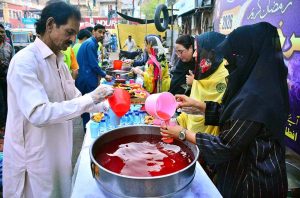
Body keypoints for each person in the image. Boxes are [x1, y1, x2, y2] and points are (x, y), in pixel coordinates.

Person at [160, 22, 289, 197]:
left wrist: (182, 133)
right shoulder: (256, 85)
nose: (228, 62)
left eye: (234, 55)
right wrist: (199, 105)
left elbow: (225, 145)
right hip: (241, 173)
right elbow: (234, 116)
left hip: (253, 182)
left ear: (249, 55)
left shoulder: (258, 97)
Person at [3, 2, 114, 197]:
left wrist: (105, 106)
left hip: (59, 153)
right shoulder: (25, 61)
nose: (73, 39)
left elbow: (75, 98)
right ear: (50, 24)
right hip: (34, 160)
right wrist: (90, 98)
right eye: (69, 32)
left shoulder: (60, 62)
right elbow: (39, 114)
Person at [176, 32, 228, 136]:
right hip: (191, 134)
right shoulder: (203, 71)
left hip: (208, 142)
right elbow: (193, 105)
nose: (195, 54)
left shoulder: (225, 75)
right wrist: (178, 122)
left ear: (211, 52)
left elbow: (222, 112)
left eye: (197, 50)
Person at [76, 24, 112, 129]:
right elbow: (93, 64)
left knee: (86, 106)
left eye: (103, 33)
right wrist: (105, 75)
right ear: (93, 32)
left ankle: (86, 127)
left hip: (84, 78)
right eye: (100, 32)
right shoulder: (91, 44)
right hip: (87, 79)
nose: (102, 35)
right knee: (91, 105)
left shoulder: (90, 43)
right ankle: (89, 130)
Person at [0, 23, 13, 135]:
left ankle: (6, 125)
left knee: (7, 102)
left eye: (2, 32)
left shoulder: (8, 47)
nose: (1, 34)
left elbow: (12, 63)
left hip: (6, 80)